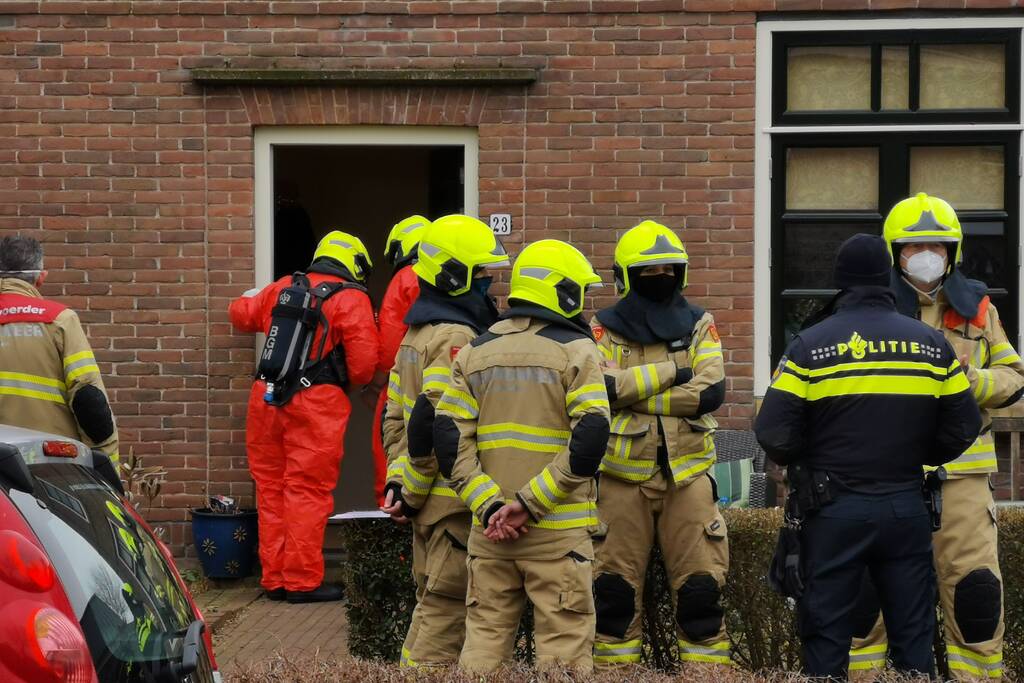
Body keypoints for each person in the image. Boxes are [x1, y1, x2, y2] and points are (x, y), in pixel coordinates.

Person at [755, 233, 982, 680]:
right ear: (886, 276)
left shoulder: (810, 345)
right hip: (905, 506)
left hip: (834, 509)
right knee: (913, 633)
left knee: (828, 632)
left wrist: (815, 455)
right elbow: (964, 426)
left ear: (839, 281)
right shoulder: (931, 345)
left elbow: (773, 433)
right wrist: (919, 453)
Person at [848, 194, 1024, 681]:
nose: (927, 256)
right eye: (914, 247)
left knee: (976, 595)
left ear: (954, 251)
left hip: (962, 475)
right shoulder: (865, 307)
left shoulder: (978, 309)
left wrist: (973, 382)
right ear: (893, 252)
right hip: (884, 475)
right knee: (864, 603)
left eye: (938, 246)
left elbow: (1013, 377)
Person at [433, 239, 609, 673]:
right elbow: (591, 436)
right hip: (557, 538)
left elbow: (448, 437)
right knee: (563, 656)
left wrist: (490, 505)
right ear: (564, 292)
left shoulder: (474, 351)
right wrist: (529, 504)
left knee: (482, 650)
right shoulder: (577, 351)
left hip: (490, 536)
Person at [590, 220, 731, 669]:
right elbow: (600, 389)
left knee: (702, 600)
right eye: (647, 272)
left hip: (687, 478)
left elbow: (710, 393)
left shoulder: (700, 324)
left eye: (667, 270)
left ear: (681, 273)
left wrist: (636, 394)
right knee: (612, 600)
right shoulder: (602, 328)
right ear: (625, 277)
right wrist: (675, 375)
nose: (659, 279)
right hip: (618, 482)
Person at [379, 214, 509, 668]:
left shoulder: (416, 332)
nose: (488, 287)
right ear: (454, 276)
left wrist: (399, 481)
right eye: (480, 276)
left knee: (429, 602)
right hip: (453, 504)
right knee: (446, 609)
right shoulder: (456, 335)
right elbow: (437, 422)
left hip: (429, 506)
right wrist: (411, 489)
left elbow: (393, 419)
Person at [229, 230, 379, 603]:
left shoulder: (283, 287)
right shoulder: (351, 298)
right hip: (316, 403)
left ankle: (275, 578)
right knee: (306, 490)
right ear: (354, 264)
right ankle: (301, 582)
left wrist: (251, 296)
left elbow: (241, 314)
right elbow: (363, 367)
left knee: (270, 488)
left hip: (265, 399)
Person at [0, 235, 119, 459]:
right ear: (40, 278)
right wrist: (107, 467)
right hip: (50, 464)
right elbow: (89, 401)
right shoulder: (59, 321)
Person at [363, 215, 429, 507]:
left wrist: (376, 384)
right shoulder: (448, 277)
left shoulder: (404, 278)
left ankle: (393, 539)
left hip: (404, 383)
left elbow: (390, 344)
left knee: (391, 456)